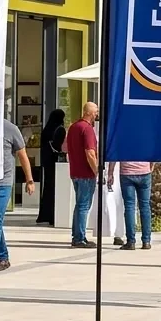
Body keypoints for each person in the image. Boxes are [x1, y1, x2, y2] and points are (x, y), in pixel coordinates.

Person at [0, 119, 34, 275]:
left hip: (3, 182)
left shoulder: (10, 128)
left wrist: (29, 180)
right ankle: (3, 257)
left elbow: (23, 155)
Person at [66, 102, 99, 247]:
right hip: (86, 173)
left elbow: (65, 147)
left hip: (75, 171)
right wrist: (96, 170)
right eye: (96, 112)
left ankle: (77, 235)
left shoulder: (73, 127)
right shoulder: (87, 129)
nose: (97, 114)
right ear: (89, 113)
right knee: (84, 205)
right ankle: (79, 237)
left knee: (79, 205)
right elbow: (90, 153)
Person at [107, 158, 153, 249]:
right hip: (144, 172)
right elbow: (152, 151)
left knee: (129, 207)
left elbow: (115, 154)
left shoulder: (121, 142)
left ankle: (131, 242)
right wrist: (151, 166)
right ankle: (146, 241)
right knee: (145, 207)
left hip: (127, 173)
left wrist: (110, 173)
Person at [36, 109, 67, 226]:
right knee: (55, 188)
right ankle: (53, 215)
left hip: (46, 161)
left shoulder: (46, 129)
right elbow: (59, 146)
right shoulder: (59, 129)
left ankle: (44, 214)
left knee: (48, 187)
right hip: (56, 161)